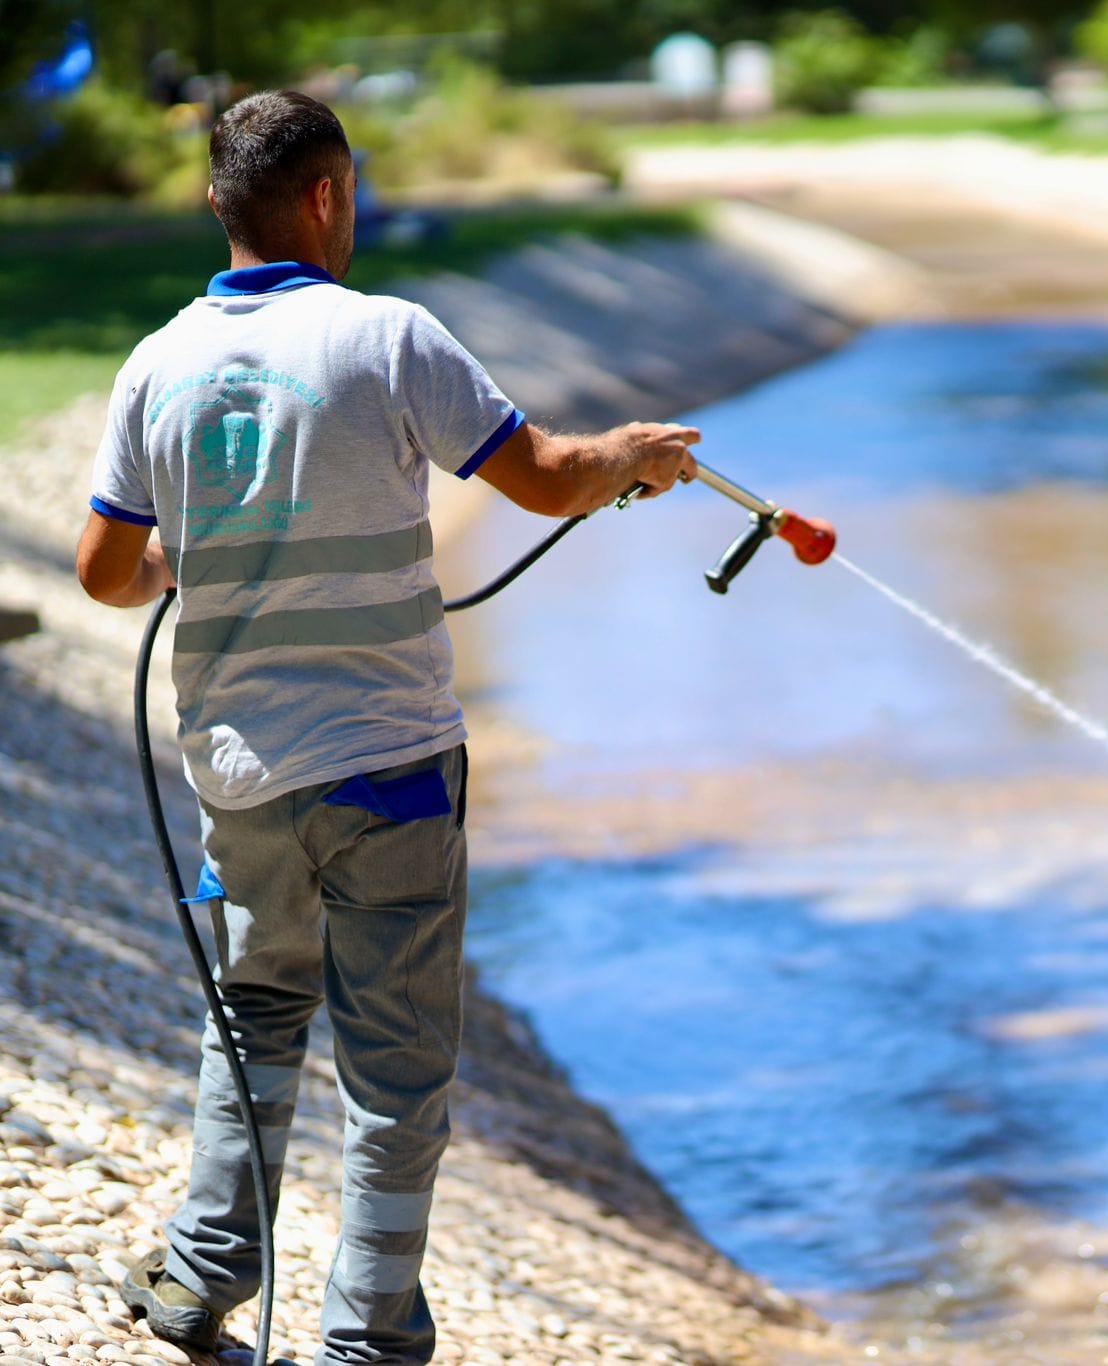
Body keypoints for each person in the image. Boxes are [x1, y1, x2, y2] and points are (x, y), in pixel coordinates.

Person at [74, 89, 699, 1363]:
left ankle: (197, 1282)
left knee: (252, 1011)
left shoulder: (158, 360)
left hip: (240, 772)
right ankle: (362, 1343)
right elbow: (540, 479)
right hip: (389, 767)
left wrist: (182, 569)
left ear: (214, 204)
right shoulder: (389, 337)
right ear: (323, 195)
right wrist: (631, 453)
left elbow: (103, 570)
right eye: (348, 186)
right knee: (395, 1071)